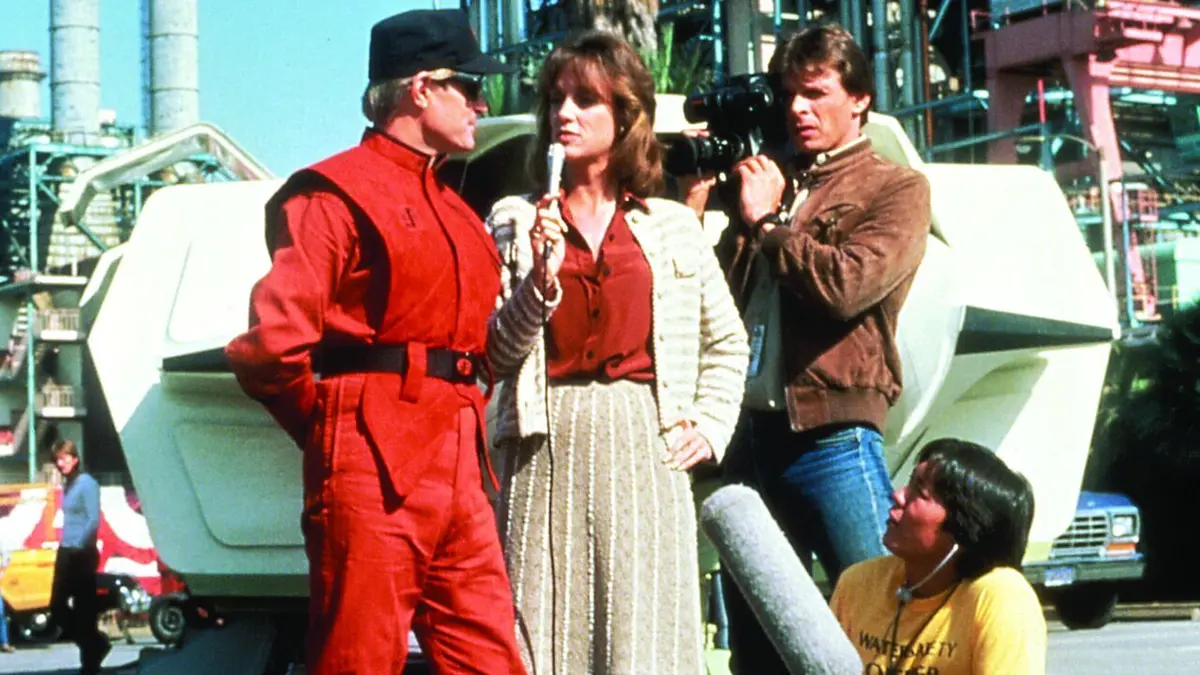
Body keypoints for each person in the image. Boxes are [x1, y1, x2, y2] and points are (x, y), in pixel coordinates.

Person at [224, 9, 526, 674]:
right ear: (421, 89)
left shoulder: (458, 211)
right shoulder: (332, 195)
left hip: (460, 466)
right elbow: (271, 348)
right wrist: (336, 429)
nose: (482, 104)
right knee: (357, 660)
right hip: (371, 460)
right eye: (469, 88)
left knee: (492, 660)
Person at [486, 30, 749, 675]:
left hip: (644, 442)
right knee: (538, 625)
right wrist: (539, 279)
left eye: (585, 100)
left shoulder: (672, 224)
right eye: (555, 100)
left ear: (626, 116)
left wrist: (709, 424)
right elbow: (494, 352)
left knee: (643, 629)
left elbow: (727, 341)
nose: (564, 114)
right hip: (542, 442)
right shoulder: (515, 220)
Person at [691, 23, 933, 674]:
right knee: (758, 644)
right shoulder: (768, 179)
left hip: (833, 435)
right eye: (789, 95)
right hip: (751, 436)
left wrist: (769, 224)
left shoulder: (895, 188)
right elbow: (719, 300)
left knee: (885, 624)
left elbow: (847, 287)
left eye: (816, 92)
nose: (798, 108)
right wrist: (705, 209)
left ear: (860, 99)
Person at [830, 438, 1047, 674]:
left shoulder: (1003, 598)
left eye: (919, 492)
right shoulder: (859, 582)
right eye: (909, 482)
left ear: (963, 528)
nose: (898, 496)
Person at [49, 440, 108, 674]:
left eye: (64, 458)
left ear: (75, 459)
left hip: (82, 552)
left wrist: (81, 545)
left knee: (84, 610)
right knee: (57, 606)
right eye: (57, 459)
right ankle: (95, 643)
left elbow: (93, 520)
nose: (60, 463)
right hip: (65, 550)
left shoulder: (87, 483)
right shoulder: (69, 485)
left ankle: (90, 662)